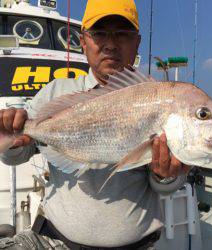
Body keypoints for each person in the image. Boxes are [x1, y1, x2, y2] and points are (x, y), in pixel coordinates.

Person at [0, 0, 189, 249]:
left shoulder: (158, 99)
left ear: (137, 42)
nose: (111, 44)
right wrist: (9, 140)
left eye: (122, 34)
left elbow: (164, 185)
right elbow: (18, 154)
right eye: (100, 34)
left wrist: (166, 176)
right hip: (54, 240)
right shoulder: (57, 91)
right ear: (83, 41)